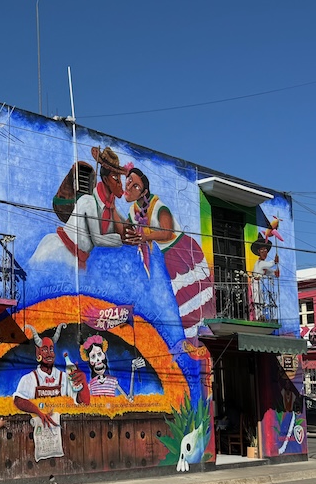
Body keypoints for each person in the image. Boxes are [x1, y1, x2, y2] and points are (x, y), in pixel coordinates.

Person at [121, 167, 215, 348]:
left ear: (144, 191)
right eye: (128, 183)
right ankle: (193, 343)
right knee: (181, 302)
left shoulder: (158, 206)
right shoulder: (134, 211)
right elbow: (124, 230)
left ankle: (200, 343)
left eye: (135, 186)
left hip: (183, 253)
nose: (129, 187)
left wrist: (145, 237)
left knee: (194, 301)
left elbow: (167, 231)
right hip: (167, 259)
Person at [31, 146, 125, 269]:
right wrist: (122, 240)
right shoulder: (89, 200)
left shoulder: (106, 206)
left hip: (78, 257)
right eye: (115, 178)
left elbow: (125, 225)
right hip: (62, 250)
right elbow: (97, 239)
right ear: (105, 179)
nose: (120, 183)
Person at [250, 233, 279, 321]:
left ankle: (261, 315)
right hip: (255, 283)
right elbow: (269, 265)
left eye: (265, 250)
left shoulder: (263, 265)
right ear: (259, 251)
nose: (264, 252)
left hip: (260, 284)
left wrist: (275, 272)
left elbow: (269, 272)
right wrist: (274, 262)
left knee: (261, 300)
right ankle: (258, 316)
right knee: (257, 300)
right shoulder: (260, 263)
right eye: (262, 250)